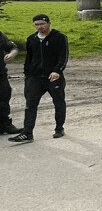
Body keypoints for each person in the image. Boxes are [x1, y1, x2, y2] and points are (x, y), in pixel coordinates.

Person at [9, 14, 69, 144]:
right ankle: (27, 133)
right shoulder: (31, 39)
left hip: (53, 77)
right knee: (30, 105)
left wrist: (57, 71)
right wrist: (27, 74)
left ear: (48, 23)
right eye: (36, 24)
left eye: (42, 24)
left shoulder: (59, 37)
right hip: (34, 78)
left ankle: (59, 128)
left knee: (58, 102)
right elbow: (29, 58)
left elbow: (63, 56)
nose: (39, 27)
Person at [0, 28, 21, 135]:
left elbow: (12, 47)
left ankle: (5, 125)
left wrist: (12, 54)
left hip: (1, 74)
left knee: (4, 98)